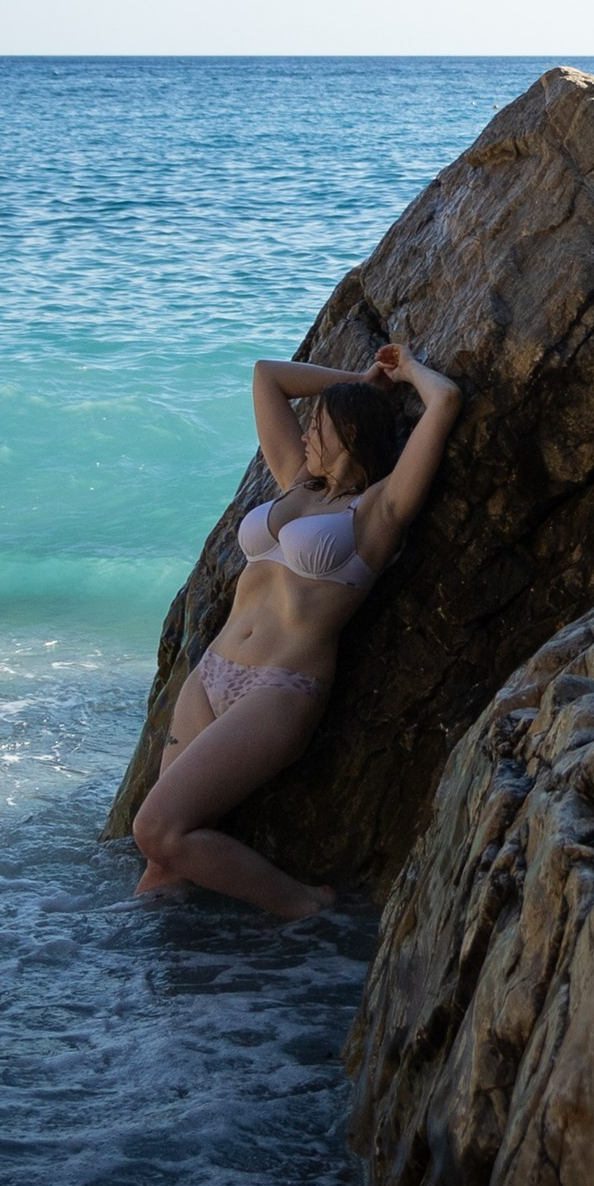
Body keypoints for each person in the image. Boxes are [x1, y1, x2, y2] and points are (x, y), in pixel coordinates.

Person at [131, 344, 460, 918]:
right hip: (211, 674)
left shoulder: (378, 509)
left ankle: (305, 906)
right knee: (163, 863)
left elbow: (446, 401)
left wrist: (407, 371)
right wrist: (360, 377)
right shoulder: (296, 482)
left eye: (321, 426)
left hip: (279, 689)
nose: (307, 435)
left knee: (157, 830)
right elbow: (267, 378)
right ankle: (143, 983)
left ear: (352, 435)